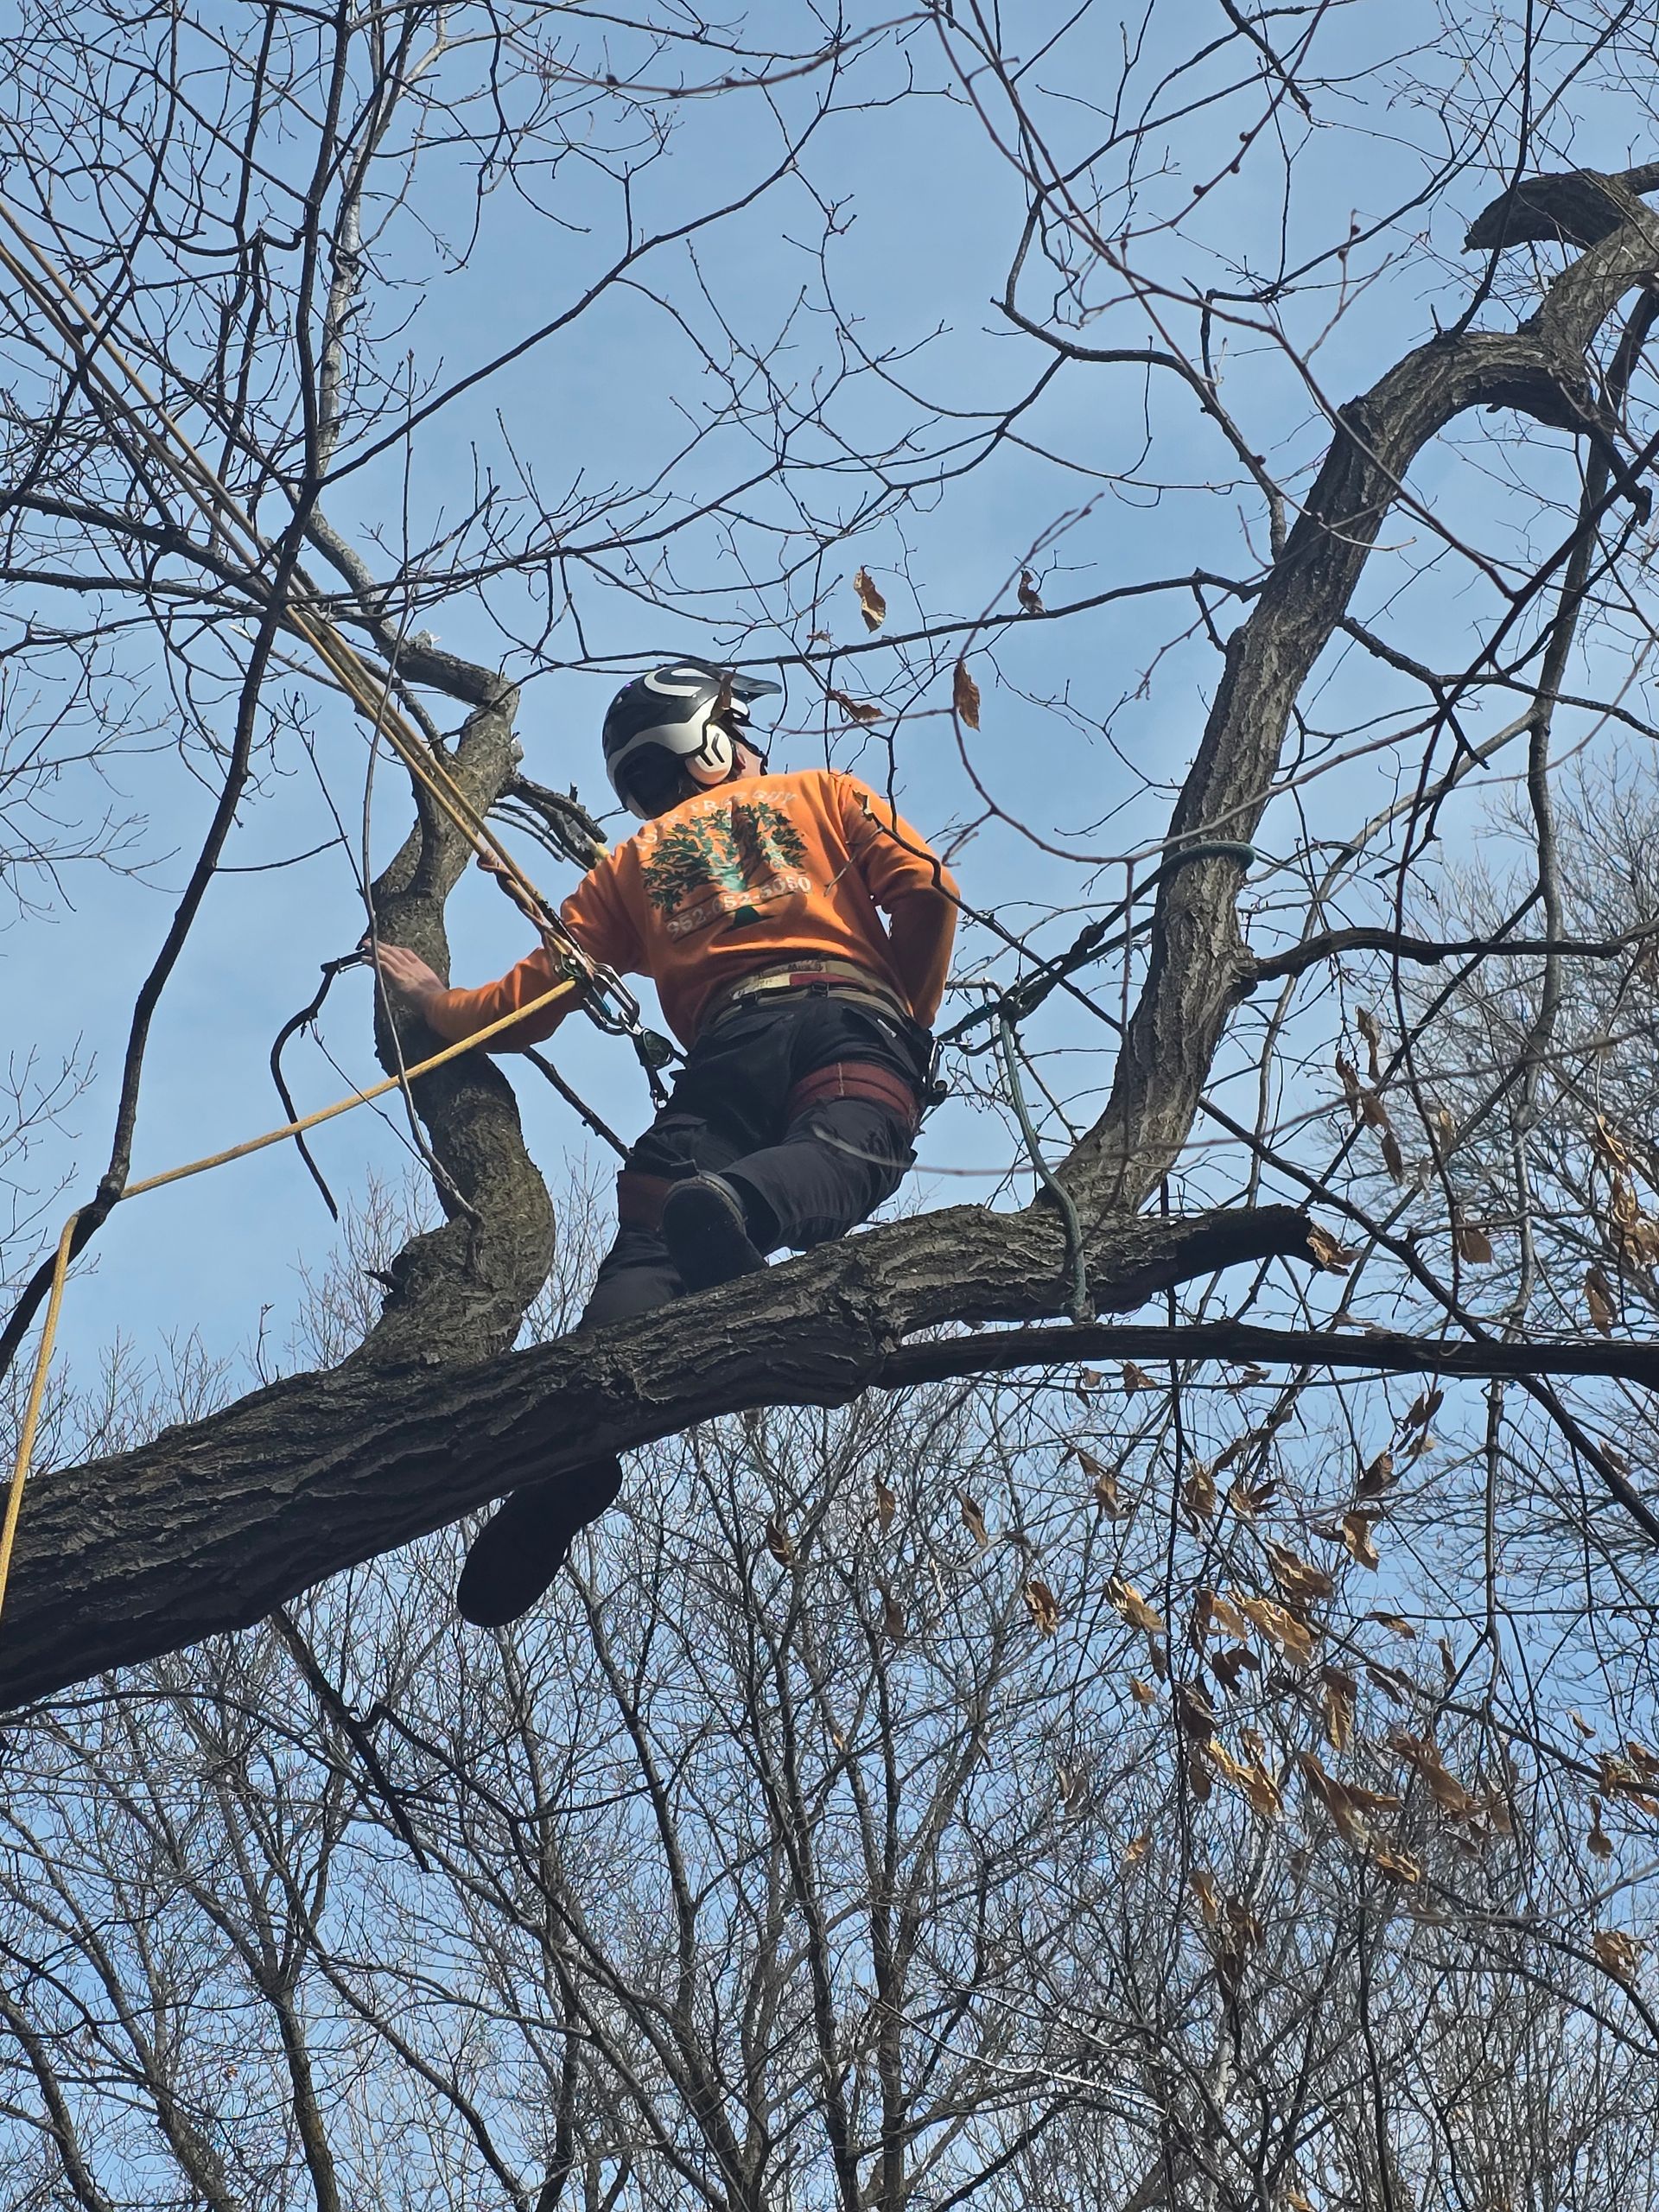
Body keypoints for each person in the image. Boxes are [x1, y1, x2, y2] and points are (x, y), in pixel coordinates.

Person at [374, 658, 958, 1625]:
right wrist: (911, 1015)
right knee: (850, 1144)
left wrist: (438, 1002)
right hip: (848, 1022)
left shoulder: (629, 868)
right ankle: (742, 1206)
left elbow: (531, 1005)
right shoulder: (821, 793)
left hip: (726, 1050)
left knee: (650, 1239)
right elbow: (929, 891)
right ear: (713, 742)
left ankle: (567, 1454)